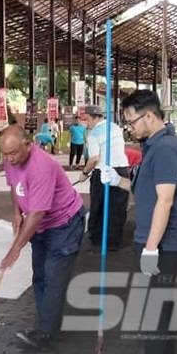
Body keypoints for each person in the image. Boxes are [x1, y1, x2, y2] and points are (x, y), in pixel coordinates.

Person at [100, 89, 177, 354]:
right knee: (160, 305)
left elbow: (165, 200)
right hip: (154, 240)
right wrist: (116, 180)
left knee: (154, 309)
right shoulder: (154, 146)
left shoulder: (165, 148)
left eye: (131, 122)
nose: (130, 128)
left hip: (161, 243)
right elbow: (144, 188)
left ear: (148, 115)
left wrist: (152, 247)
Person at [0, 125, 85, 351]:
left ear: (29, 145)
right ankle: (47, 322)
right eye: (4, 154)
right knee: (40, 276)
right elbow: (14, 186)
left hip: (64, 224)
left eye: (13, 153)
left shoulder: (41, 166)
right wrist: (16, 213)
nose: (9, 159)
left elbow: (37, 214)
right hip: (43, 226)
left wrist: (15, 249)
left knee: (53, 278)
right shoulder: (11, 160)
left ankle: (45, 333)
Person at [78, 105, 130, 251]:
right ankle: (114, 242)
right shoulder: (115, 127)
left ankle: (97, 240)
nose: (85, 123)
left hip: (103, 172)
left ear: (95, 117)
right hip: (121, 170)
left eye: (87, 120)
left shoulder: (93, 134)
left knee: (98, 206)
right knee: (117, 207)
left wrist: (84, 173)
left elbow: (94, 158)